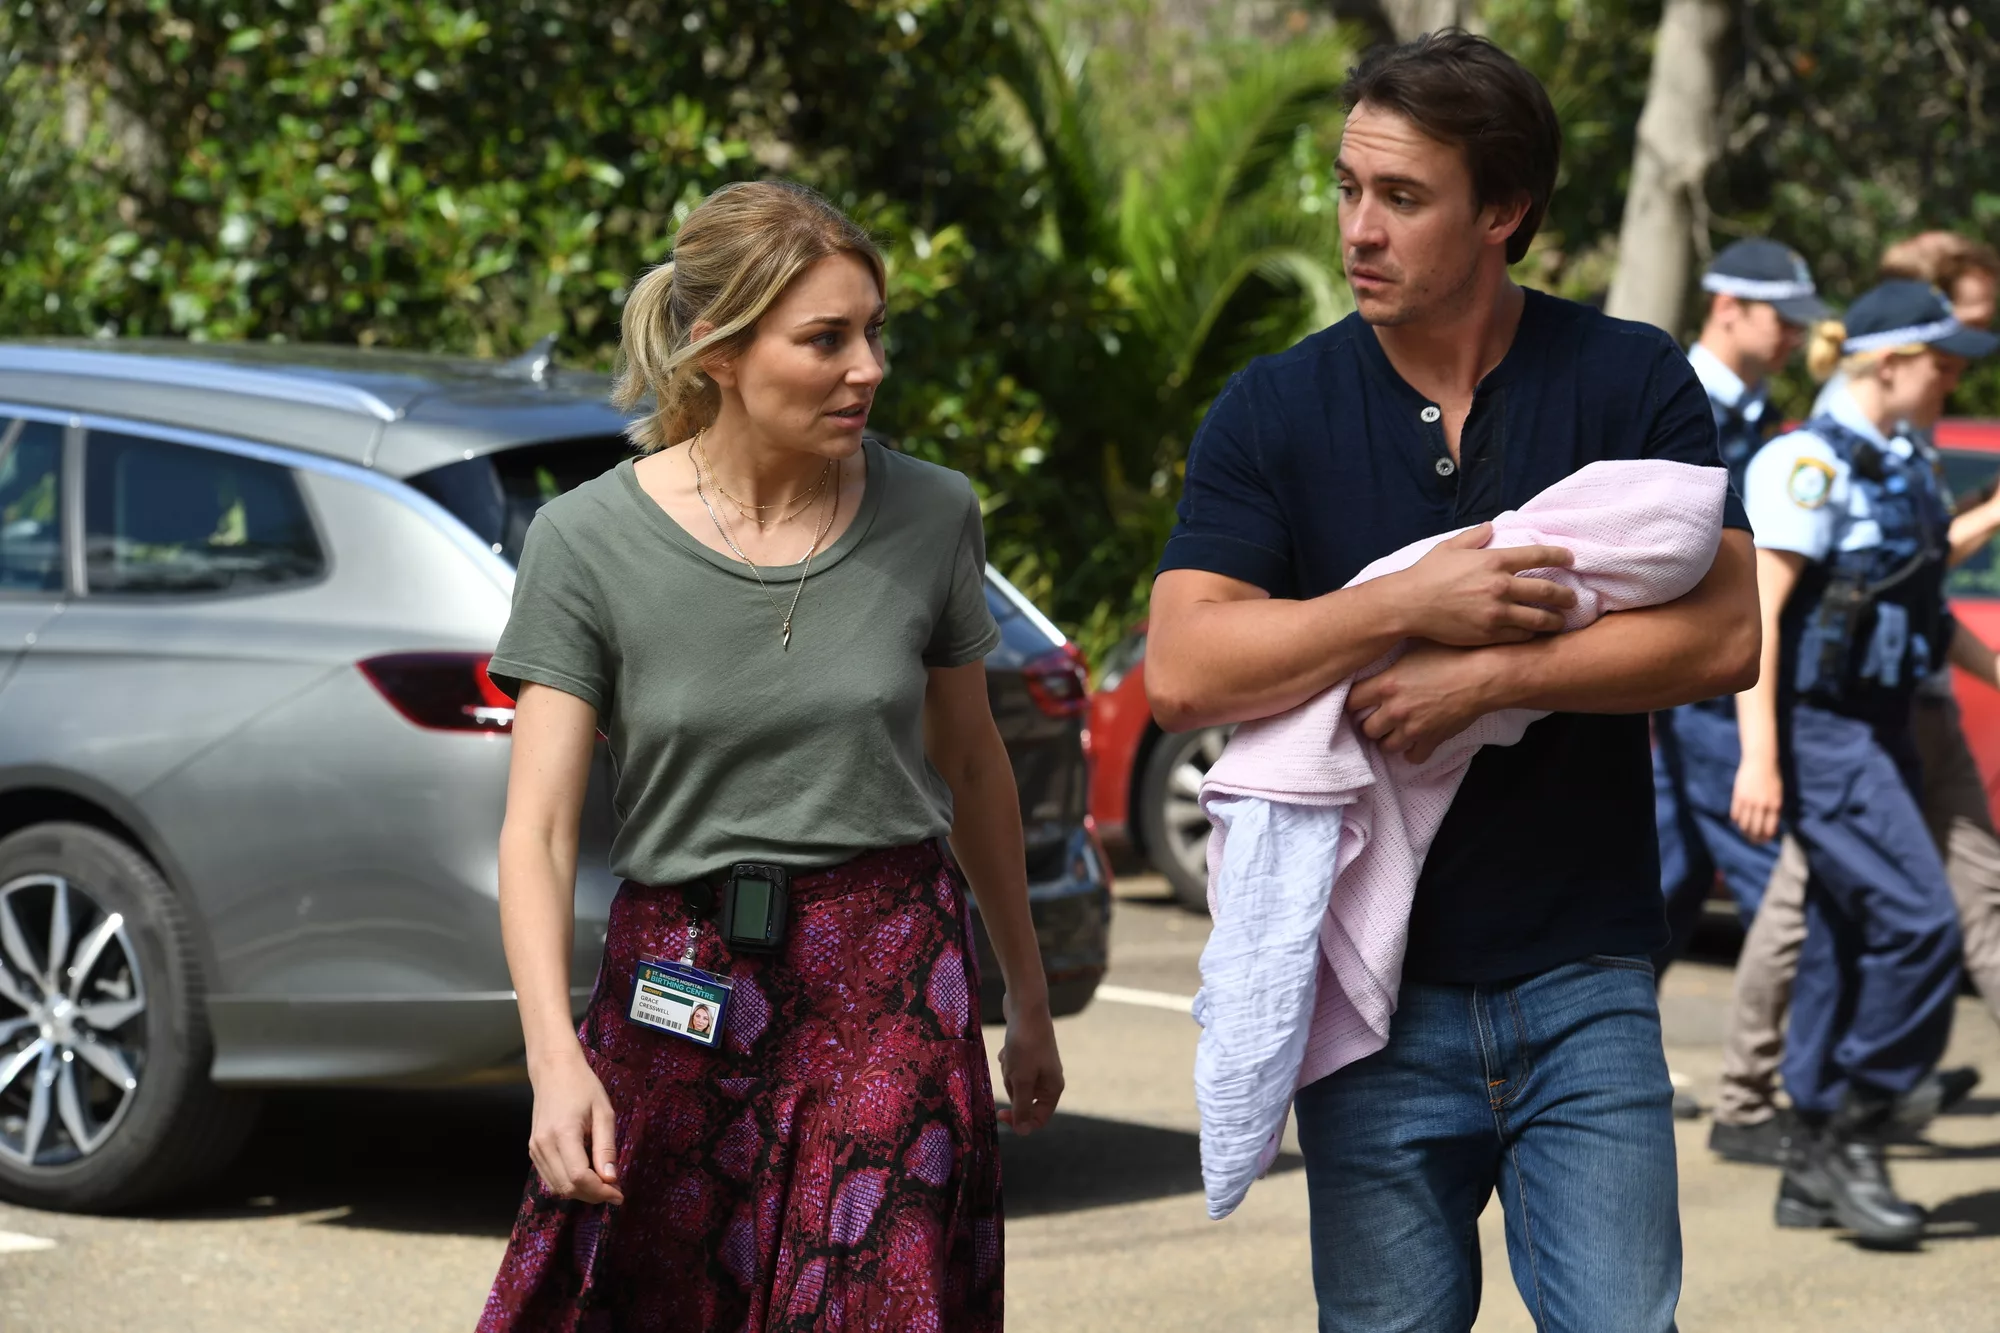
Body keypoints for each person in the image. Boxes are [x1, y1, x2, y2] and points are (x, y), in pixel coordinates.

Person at [1146, 30, 1758, 1331]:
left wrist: (1482, 679)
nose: (1356, 227)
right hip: (1371, 1005)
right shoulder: (1272, 409)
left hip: (1587, 978)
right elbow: (1186, 670)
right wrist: (1403, 606)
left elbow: (1723, 638)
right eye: (1347, 187)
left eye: (1401, 196)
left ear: (1503, 211)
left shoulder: (1628, 378)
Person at [475, 180, 1064, 1331]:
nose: (867, 368)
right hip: (676, 983)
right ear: (720, 353)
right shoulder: (584, 541)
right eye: (825, 339)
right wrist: (552, 1058)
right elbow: (536, 830)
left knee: (873, 1298)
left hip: (890, 975)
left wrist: (1027, 996)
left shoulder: (932, 513)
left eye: (873, 332)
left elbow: (972, 766)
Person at [1713, 237, 2000, 1163]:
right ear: (1889, 363)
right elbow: (1760, 615)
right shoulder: (1808, 465)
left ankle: (1817, 1131)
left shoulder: (1901, 460)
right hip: (1824, 729)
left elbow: (1919, 610)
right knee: (1911, 920)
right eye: (1941, 364)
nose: (1954, 381)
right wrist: (1759, 757)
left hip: (1885, 724)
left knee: (1839, 925)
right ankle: (1849, 1120)